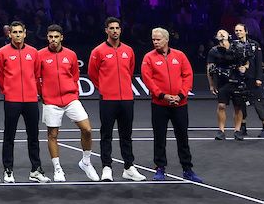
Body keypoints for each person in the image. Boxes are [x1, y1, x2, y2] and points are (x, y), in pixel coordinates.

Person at [87, 17, 146, 181]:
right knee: (106, 134)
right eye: (111, 28)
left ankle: (129, 167)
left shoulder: (129, 50)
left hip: (127, 98)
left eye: (117, 28)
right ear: (106, 30)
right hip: (108, 99)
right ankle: (106, 167)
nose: (114, 31)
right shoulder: (98, 51)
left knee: (126, 134)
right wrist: (105, 87)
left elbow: (131, 70)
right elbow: (92, 73)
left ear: (121, 30)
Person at [37, 25, 99, 182]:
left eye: (56, 37)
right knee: (53, 135)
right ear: (47, 38)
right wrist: (42, 94)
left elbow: (75, 76)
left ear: (61, 37)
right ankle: (58, 169)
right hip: (50, 100)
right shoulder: (40, 55)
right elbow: (36, 77)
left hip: (71, 99)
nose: (53, 40)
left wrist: (75, 93)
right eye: (50, 37)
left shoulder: (71, 54)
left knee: (87, 129)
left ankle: (86, 162)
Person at [141, 28, 202, 182]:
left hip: (180, 104)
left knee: (182, 137)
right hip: (159, 104)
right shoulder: (149, 58)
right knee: (159, 137)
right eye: (153, 39)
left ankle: (187, 169)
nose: (155, 42)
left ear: (166, 40)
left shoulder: (180, 56)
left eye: (158, 39)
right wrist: (163, 95)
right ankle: (160, 168)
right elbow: (148, 80)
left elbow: (187, 76)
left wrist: (180, 95)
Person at [0, 20, 48, 183]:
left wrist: (35, 92)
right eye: (14, 32)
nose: (17, 35)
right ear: (9, 34)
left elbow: (37, 73)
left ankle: (36, 170)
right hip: (12, 99)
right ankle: (8, 170)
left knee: (33, 136)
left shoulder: (33, 52)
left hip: (31, 99)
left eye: (20, 32)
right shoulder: (2, 52)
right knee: (9, 136)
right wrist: (7, 90)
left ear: (25, 33)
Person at [233, 23, 264, 137]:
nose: (238, 32)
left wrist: (259, 78)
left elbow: (259, 63)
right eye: (236, 30)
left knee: (258, 103)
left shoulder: (254, 45)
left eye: (240, 30)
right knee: (241, 103)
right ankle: (243, 127)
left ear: (246, 31)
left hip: (253, 79)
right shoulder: (233, 46)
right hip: (239, 79)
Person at [208, 29, 245, 141]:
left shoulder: (237, 47)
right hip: (222, 81)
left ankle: (237, 130)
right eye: (219, 33)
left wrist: (245, 68)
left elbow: (246, 61)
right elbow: (209, 68)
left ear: (228, 35)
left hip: (237, 79)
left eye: (223, 32)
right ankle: (221, 131)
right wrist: (211, 84)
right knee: (221, 106)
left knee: (238, 107)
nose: (221, 34)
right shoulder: (213, 51)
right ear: (216, 37)